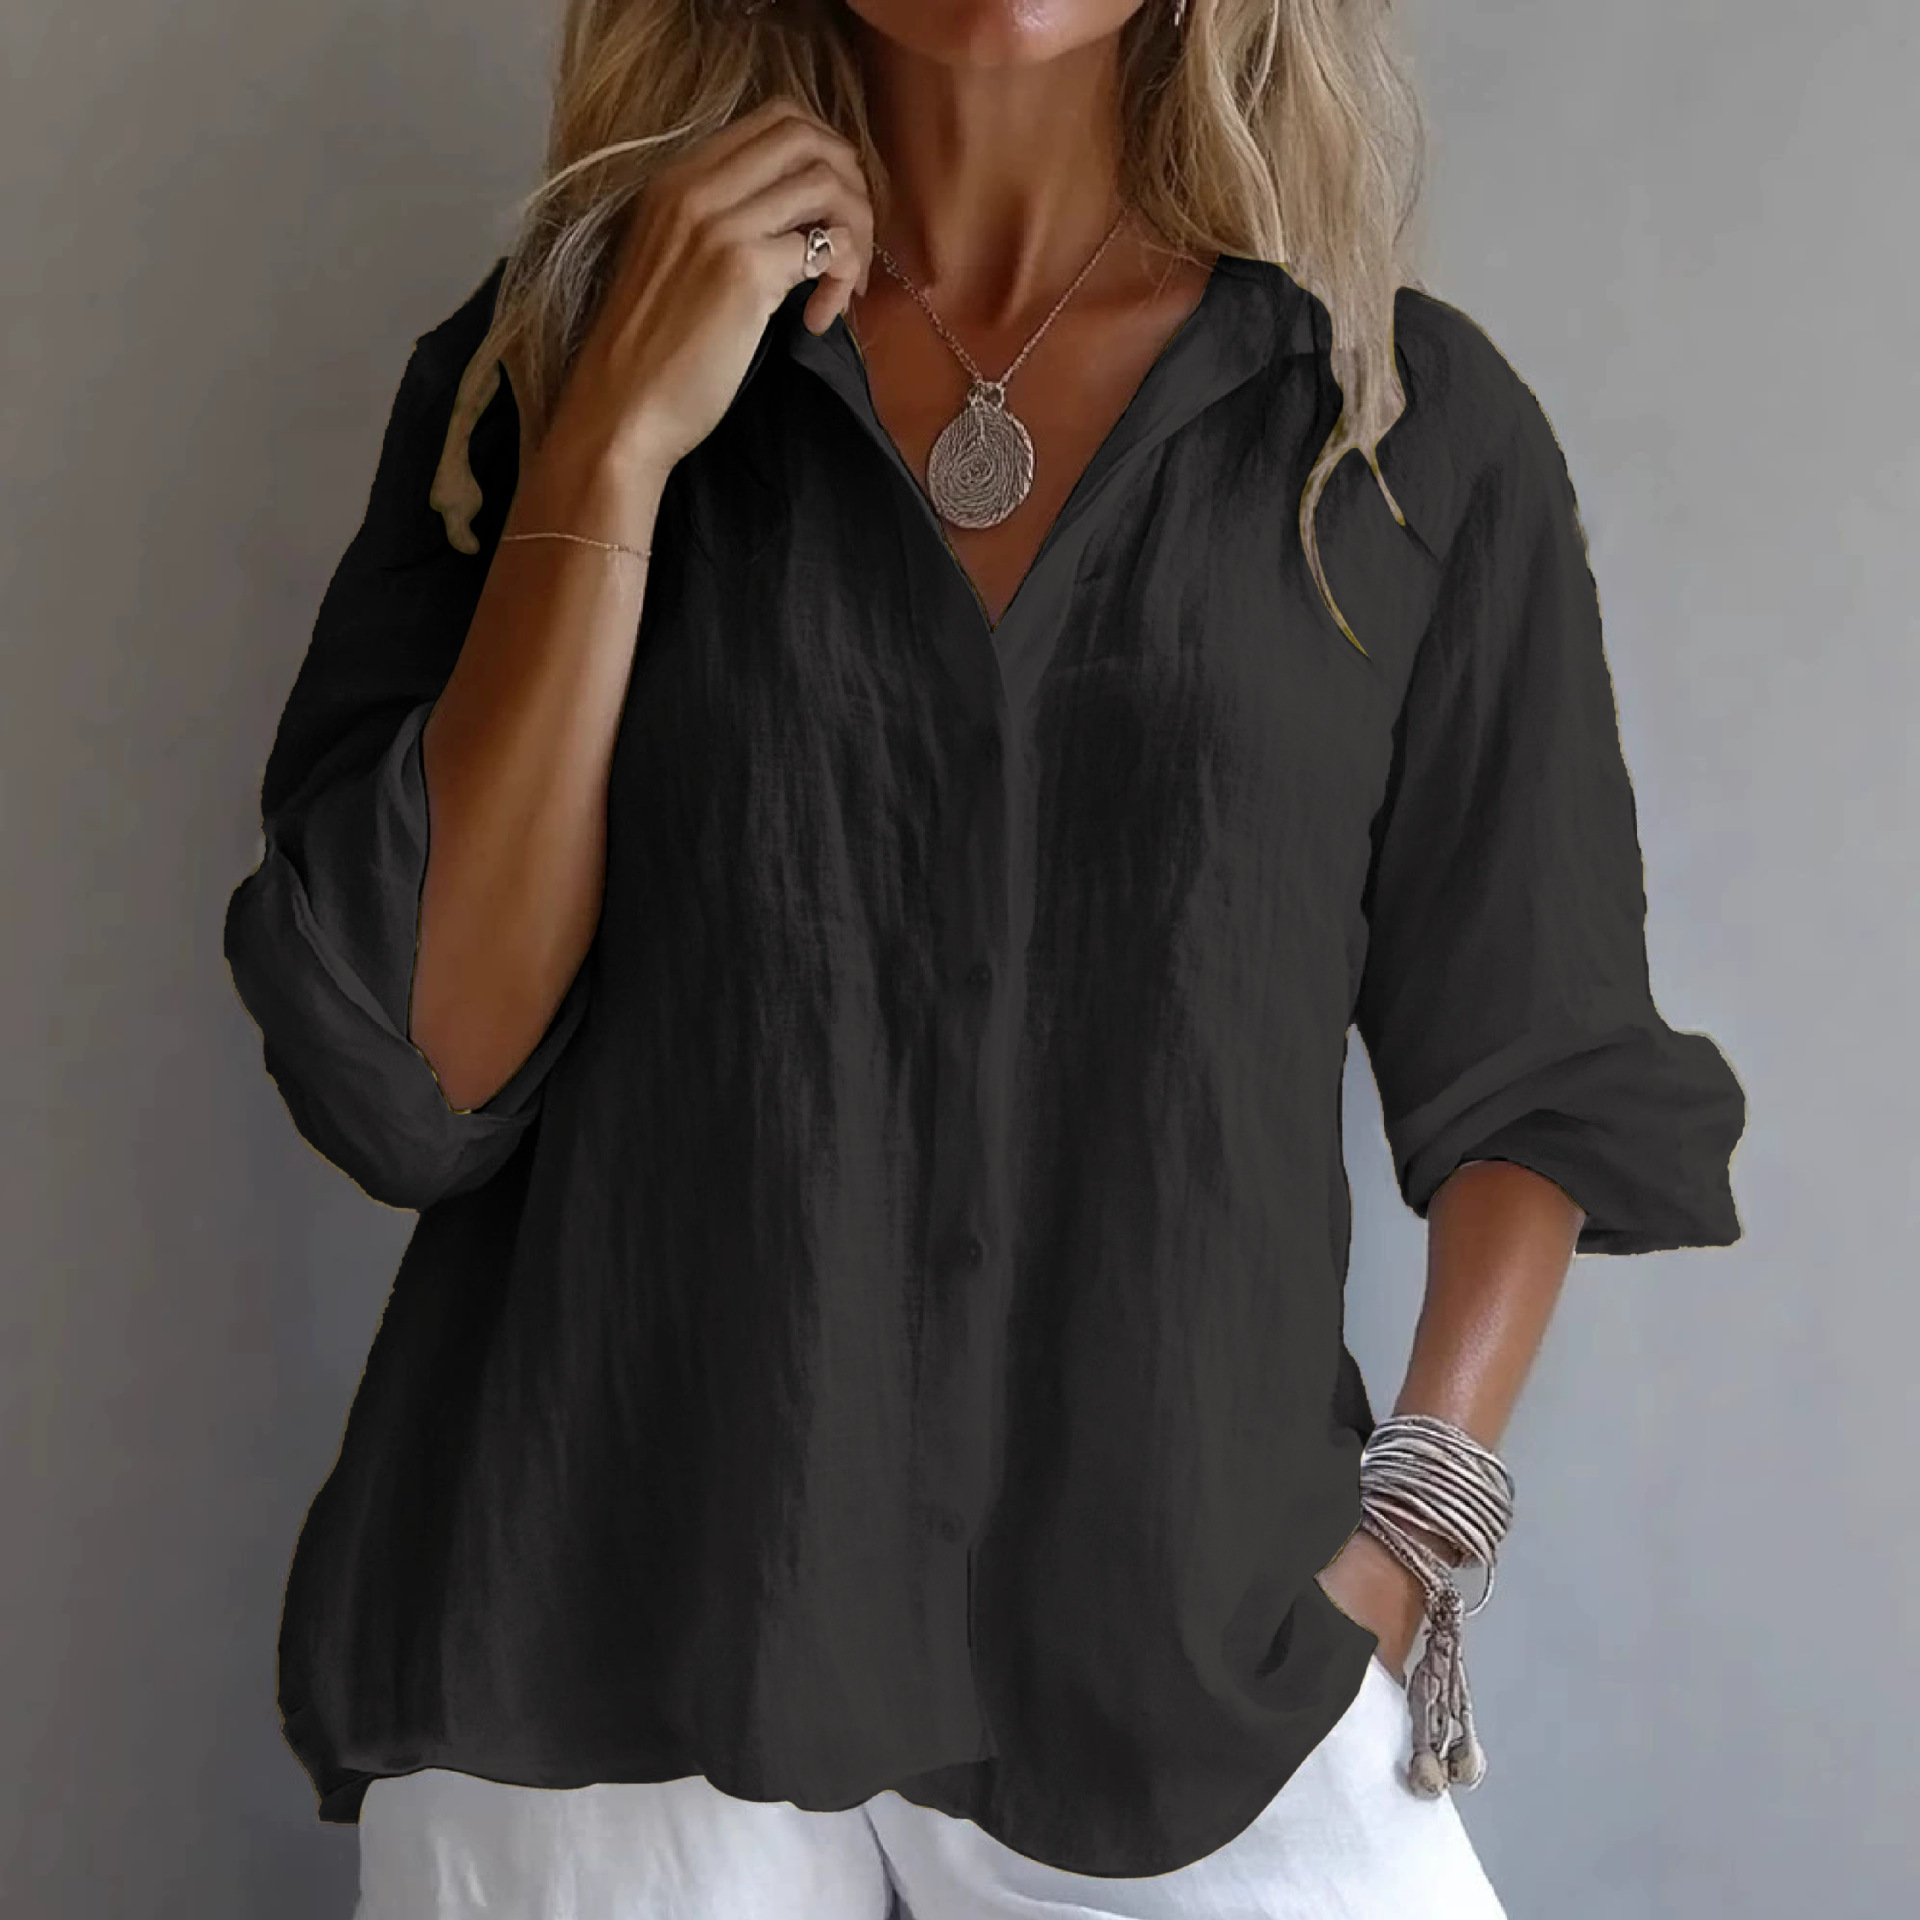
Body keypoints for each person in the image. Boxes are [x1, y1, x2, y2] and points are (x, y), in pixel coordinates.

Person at [222, 1, 1747, 1914]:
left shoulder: (1394, 429)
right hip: (604, 1630)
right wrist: (607, 450)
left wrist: (1413, 1534)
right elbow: (424, 1070)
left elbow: (1536, 1050)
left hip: (1187, 1658)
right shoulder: (547, 367)